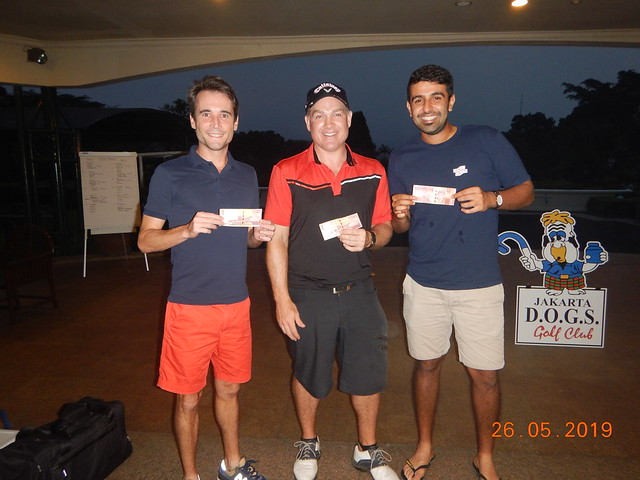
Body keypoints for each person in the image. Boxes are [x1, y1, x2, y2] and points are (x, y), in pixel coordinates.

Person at [387, 65, 534, 480]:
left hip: (479, 285)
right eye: (418, 99)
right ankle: (425, 446)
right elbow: (399, 226)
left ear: (451, 101)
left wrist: (493, 198)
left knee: (484, 376)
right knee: (426, 366)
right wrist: (400, 214)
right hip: (424, 283)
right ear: (408, 107)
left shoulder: (485, 140)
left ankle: (485, 455)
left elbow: (526, 190)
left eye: (436, 97)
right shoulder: (401, 156)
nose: (427, 107)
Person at [138, 75, 275, 480]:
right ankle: (190, 475)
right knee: (188, 399)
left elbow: (245, 239)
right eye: (206, 114)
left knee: (230, 390)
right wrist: (185, 230)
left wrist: (257, 236)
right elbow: (145, 241)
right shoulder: (170, 173)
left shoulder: (246, 174)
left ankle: (233, 464)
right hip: (189, 307)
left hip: (236, 304)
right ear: (193, 121)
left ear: (236, 121)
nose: (216, 123)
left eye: (224, 115)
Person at [264, 82, 398, 480]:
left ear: (349, 119)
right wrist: (282, 299)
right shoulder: (286, 171)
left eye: (336, 113)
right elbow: (277, 239)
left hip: (360, 290)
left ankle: (367, 449)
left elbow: (385, 225)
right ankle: (309, 440)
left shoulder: (373, 170)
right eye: (318, 115)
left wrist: (370, 238)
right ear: (307, 122)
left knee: (368, 372)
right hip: (307, 292)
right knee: (308, 370)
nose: (328, 123)